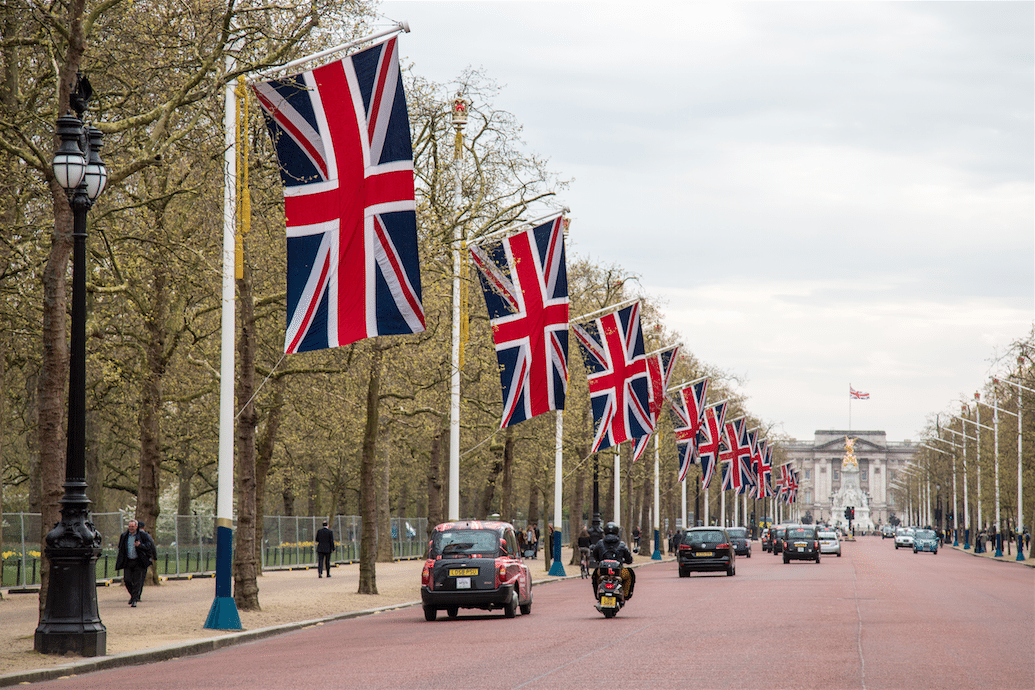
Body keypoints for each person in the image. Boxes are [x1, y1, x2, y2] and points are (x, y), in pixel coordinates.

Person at [591, 522, 635, 600]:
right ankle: (625, 594)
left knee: (595, 576)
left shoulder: (600, 543)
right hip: (619, 572)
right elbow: (629, 558)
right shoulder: (622, 544)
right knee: (629, 575)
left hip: (602, 572)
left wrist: (599, 560)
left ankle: (598, 594)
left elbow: (595, 555)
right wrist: (628, 561)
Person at [116, 519, 155, 607]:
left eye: (132, 526)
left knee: (137, 581)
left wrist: (140, 545)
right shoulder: (124, 536)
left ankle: (134, 600)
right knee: (127, 580)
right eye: (129, 526)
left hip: (139, 561)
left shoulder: (143, 535)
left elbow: (149, 546)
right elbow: (121, 547)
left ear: (136, 527)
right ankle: (133, 595)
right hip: (128, 561)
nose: (131, 528)